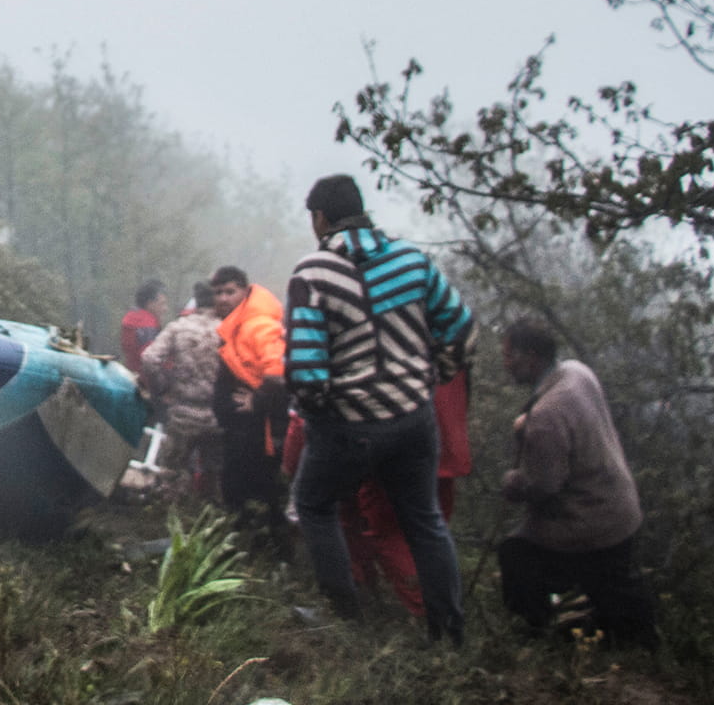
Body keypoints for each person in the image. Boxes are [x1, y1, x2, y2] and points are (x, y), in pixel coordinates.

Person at [284, 174, 472, 644]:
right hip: (413, 419)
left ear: (321, 219)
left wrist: (323, 416)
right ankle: (448, 630)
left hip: (350, 425)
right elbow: (461, 327)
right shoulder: (412, 260)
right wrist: (433, 374)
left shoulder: (313, 273)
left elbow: (306, 372)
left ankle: (344, 620)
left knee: (314, 503)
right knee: (423, 519)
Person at [498, 319, 657, 649]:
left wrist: (513, 481)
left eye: (510, 355)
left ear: (531, 356)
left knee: (515, 552)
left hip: (590, 521)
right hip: (621, 507)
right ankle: (621, 631)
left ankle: (537, 632)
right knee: (615, 588)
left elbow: (544, 487)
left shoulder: (546, 415)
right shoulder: (576, 372)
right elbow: (569, 420)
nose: (506, 363)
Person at [209, 265, 288, 534]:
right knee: (240, 491)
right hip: (241, 429)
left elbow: (278, 373)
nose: (222, 298)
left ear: (245, 291)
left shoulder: (258, 323)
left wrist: (258, 400)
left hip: (257, 430)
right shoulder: (237, 325)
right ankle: (250, 545)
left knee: (261, 492)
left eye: (230, 292)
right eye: (218, 292)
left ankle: (270, 552)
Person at [137, 284, 224, 501]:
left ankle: (172, 524)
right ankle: (212, 523)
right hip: (217, 413)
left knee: (173, 474)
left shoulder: (178, 327)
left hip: (183, 409)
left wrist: (163, 388)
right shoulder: (227, 328)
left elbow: (149, 358)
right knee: (215, 475)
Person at [119, 279, 172, 371]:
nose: (165, 309)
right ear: (150, 303)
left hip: (132, 374)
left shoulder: (133, 317)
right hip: (145, 381)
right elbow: (151, 360)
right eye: (162, 304)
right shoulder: (146, 325)